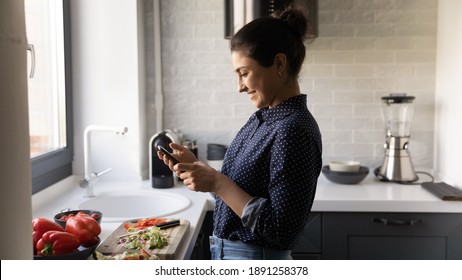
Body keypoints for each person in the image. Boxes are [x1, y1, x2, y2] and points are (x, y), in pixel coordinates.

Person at [158, 6, 322, 260]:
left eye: (244, 73)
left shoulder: (293, 130)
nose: (240, 87)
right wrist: (199, 169)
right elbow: (237, 193)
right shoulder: (263, 119)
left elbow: (281, 232)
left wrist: (217, 182)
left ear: (279, 64)